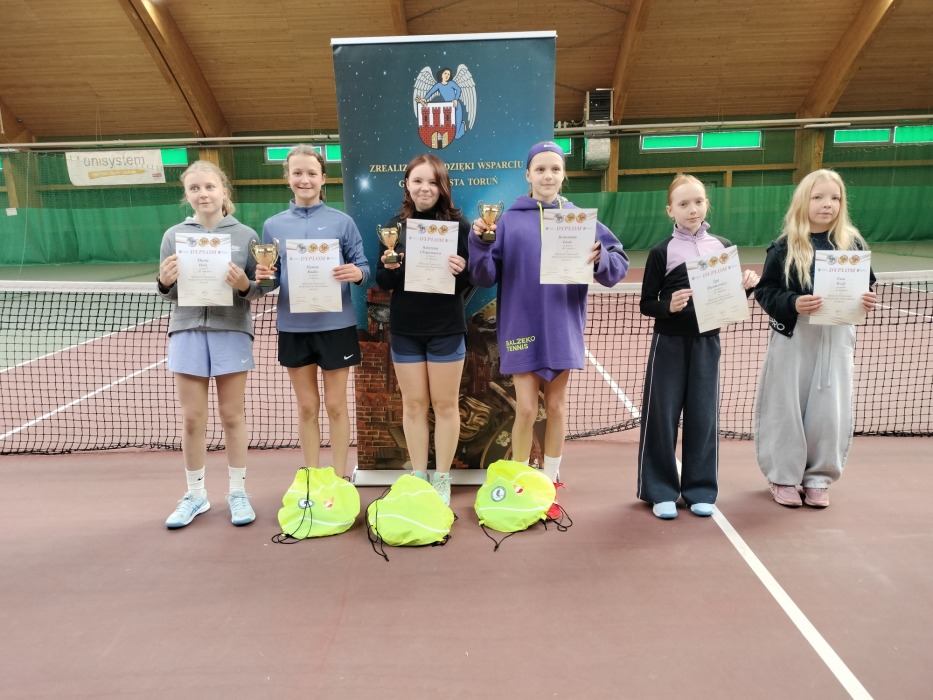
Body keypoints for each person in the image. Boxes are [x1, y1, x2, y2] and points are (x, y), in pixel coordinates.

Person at [469, 141, 629, 514]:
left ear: (563, 175)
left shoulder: (578, 219)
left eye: (555, 169)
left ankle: (552, 479)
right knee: (526, 409)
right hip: (520, 325)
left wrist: (600, 258)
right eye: (540, 169)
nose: (548, 176)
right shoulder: (507, 221)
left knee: (556, 405)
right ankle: (520, 480)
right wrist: (480, 242)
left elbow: (616, 265)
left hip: (562, 324)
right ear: (528, 175)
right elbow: (484, 274)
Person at [636, 174, 759, 520]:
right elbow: (647, 303)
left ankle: (700, 490)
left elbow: (729, 299)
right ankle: (660, 490)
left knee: (703, 417)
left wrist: (747, 286)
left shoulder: (722, 246)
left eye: (698, 202)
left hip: (708, 343)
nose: (692, 209)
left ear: (707, 204)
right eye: (683, 204)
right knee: (662, 418)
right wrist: (668, 306)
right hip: (669, 344)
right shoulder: (661, 252)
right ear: (670, 210)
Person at [754, 169, 876, 508]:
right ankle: (783, 477)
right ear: (803, 201)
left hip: (837, 338)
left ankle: (819, 479)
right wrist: (793, 302)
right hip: (794, 337)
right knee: (786, 408)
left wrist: (867, 299)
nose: (827, 204)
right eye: (818, 197)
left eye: (835, 198)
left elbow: (866, 286)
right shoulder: (783, 247)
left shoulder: (853, 245)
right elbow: (765, 292)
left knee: (830, 410)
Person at [157, 160, 262, 529]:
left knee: (232, 415)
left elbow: (259, 288)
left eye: (209, 187)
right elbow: (169, 293)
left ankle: (238, 492)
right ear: (187, 195)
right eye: (195, 188)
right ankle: (195, 495)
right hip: (186, 331)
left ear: (223, 191)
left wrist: (245, 285)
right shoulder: (173, 236)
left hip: (231, 330)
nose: (203, 194)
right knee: (192, 418)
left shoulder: (246, 235)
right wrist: (164, 282)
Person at [255, 145, 369, 479]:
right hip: (294, 328)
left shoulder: (342, 222)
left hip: (336, 326)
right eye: (297, 173)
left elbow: (364, 267)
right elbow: (270, 281)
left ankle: (339, 478)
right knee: (307, 406)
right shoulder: (273, 226)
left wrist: (356, 273)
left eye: (311, 173)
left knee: (335, 405)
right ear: (287, 177)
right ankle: (312, 477)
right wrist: (264, 277)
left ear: (323, 178)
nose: (304, 179)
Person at [375, 154, 471, 505]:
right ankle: (419, 476)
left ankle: (442, 478)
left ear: (442, 186)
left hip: (446, 328)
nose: (424, 188)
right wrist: (390, 267)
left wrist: (463, 269)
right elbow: (383, 281)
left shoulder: (460, 226)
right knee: (414, 405)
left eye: (432, 181)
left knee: (445, 405)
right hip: (406, 330)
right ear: (407, 185)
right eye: (417, 181)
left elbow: (473, 278)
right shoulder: (394, 228)